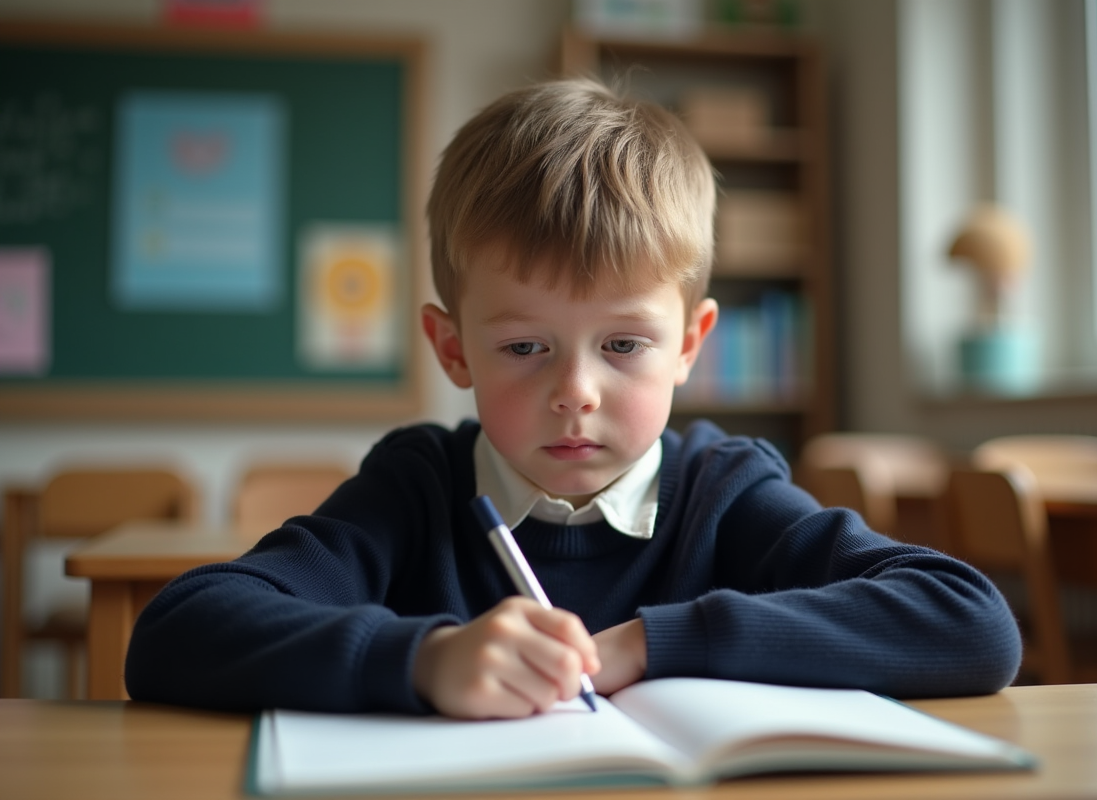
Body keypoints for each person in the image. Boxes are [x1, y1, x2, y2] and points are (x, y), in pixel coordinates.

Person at [125, 79, 1022, 718]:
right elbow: (176, 630)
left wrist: (649, 644)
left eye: (624, 345)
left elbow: (971, 622)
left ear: (690, 345)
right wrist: (424, 660)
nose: (576, 394)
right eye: (525, 348)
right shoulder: (417, 488)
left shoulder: (724, 490)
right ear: (453, 348)